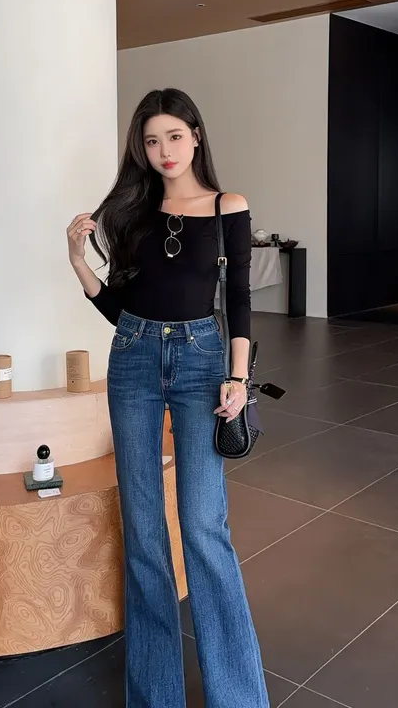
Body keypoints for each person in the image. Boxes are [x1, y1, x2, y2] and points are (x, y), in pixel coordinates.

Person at [66, 88, 269, 708]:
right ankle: (155, 697)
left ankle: (238, 696)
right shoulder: (133, 212)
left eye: (174, 136)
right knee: (144, 533)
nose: (164, 151)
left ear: (196, 136)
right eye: (152, 141)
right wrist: (78, 259)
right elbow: (119, 308)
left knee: (204, 526)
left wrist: (238, 379)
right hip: (132, 358)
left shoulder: (228, 206)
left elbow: (239, 300)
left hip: (202, 360)